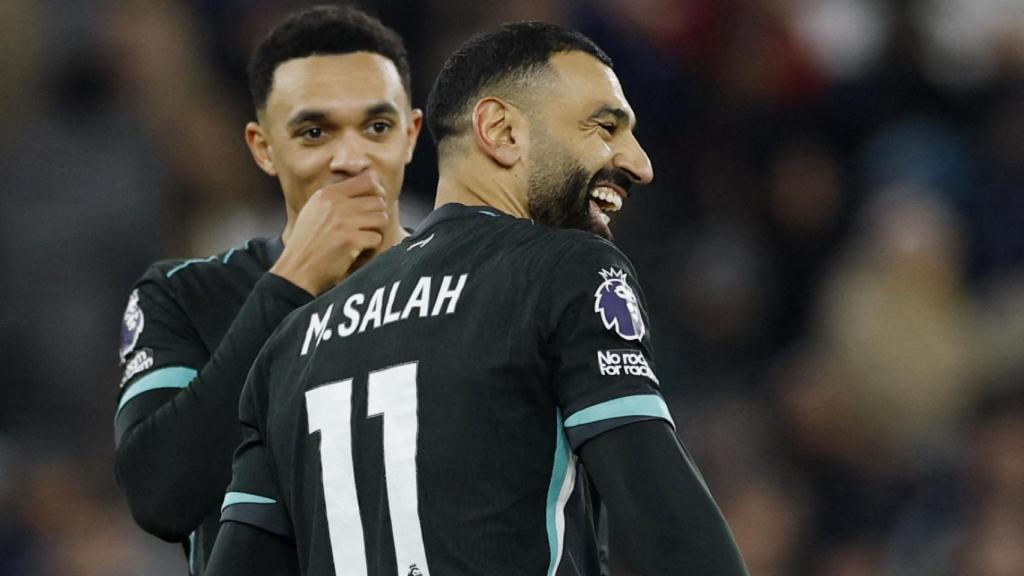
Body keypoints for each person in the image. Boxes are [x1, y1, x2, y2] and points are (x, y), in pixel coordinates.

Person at [208, 21, 749, 576]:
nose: (640, 163)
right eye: (604, 127)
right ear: (501, 130)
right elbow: (668, 525)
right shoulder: (564, 269)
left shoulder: (289, 347)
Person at [112, 6, 422, 575]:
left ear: (412, 134)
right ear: (262, 147)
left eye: (377, 127)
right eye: (314, 132)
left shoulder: (477, 286)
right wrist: (291, 284)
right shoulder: (185, 297)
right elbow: (160, 497)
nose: (350, 159)